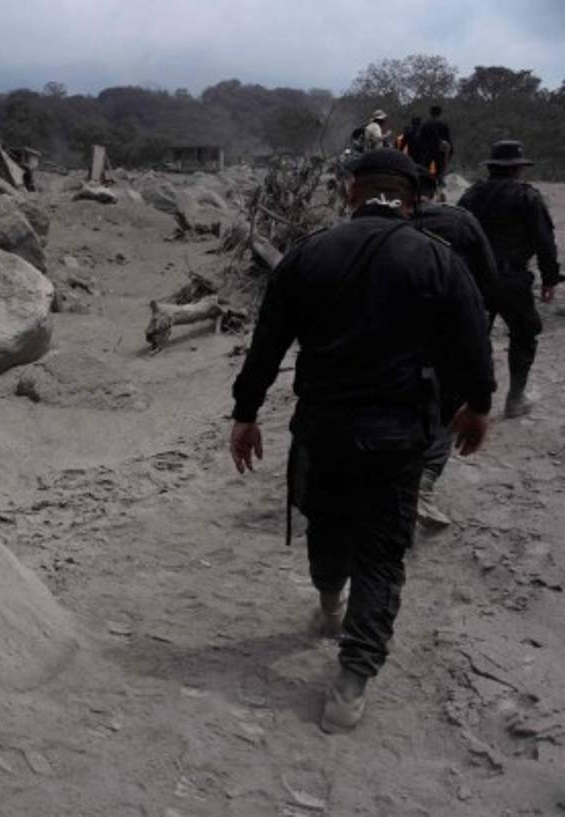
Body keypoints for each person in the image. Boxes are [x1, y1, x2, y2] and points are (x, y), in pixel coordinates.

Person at [229, 149, 494, 734]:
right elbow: (473, 342)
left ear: (351, 194)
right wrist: (478, 406)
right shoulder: (437, 260)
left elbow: (266, 346)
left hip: (321, 428)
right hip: (397, 436)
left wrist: (245, 415)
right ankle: (351, 682)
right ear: (413, 198)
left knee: (325, 524)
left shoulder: (307, 255)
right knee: (381, 554)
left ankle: (328, 605)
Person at [413, 165, 501, 526]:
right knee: (445, 410)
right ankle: (423, 484)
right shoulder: (460, 222)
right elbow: (488, 281)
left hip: (383, 339)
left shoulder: (369, 226)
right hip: (446, 337)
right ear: (436, 191)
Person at [458, 140, 561, 417]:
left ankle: (470, 399)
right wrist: (550, 279)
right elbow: (544, 242)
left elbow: (456, 234)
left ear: (491, 167)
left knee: (474, 338)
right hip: (512, 279)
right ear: (517, 169)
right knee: (525, 335)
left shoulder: (471, 195)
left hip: (475, 278)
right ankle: (515, 399)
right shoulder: (528, 197)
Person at [416, 105, 452, 191]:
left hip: (427, 151)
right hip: (440, 151)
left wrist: (422, 149)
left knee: (425, 169)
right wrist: (449, 152)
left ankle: (425, 187)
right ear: (440, 113)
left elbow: (420, 138)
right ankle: (439, 188)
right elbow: (447, 139)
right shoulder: (443, 124)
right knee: (440, 170)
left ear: (430, 112)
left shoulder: (425, 124)